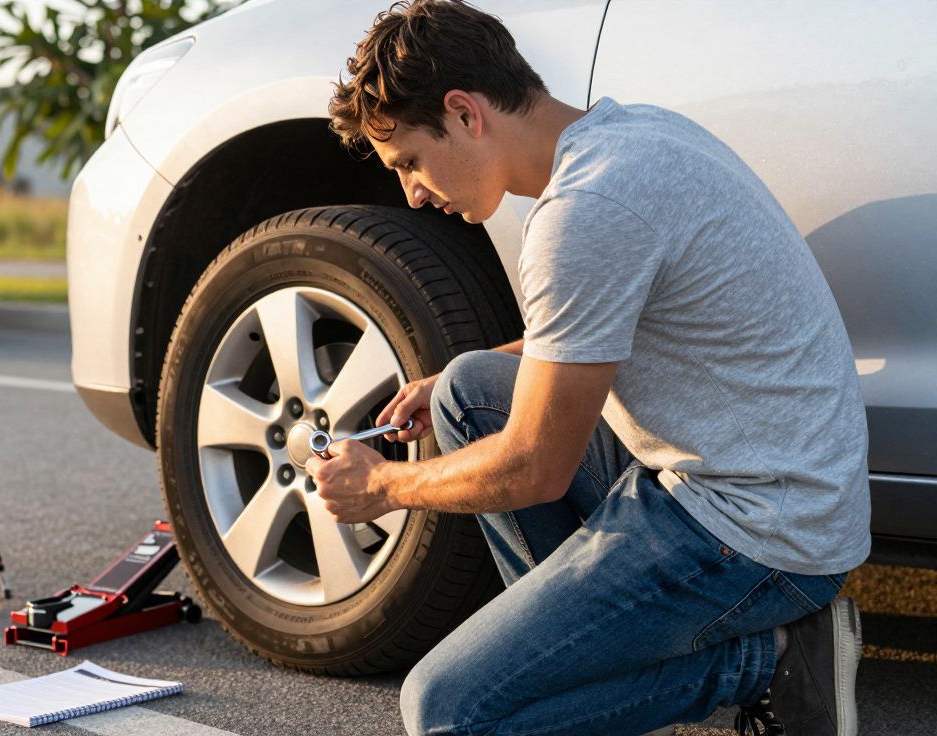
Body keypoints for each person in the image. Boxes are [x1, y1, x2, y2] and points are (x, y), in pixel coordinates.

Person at [304, 1, 870, 734]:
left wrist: (381, 485)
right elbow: (588, 332)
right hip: (774, 484)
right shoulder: (630, 137)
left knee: (448, 710)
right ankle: (583, 667)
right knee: (471, 392)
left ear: (465, 113)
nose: (412, 191)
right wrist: (444, 380)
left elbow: (535, 467)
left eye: (410, 160)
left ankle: (769, 663)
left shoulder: (586, 211)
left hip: (760, 532)